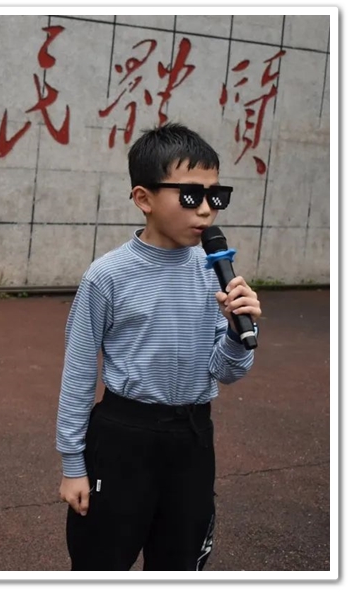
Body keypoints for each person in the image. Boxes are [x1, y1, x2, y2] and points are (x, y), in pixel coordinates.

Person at [56, 123, 261, 571]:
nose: (205, 209)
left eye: (216, 196)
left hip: (192, 439)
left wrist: (235, 333)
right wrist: (73, 463)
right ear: (144, 198)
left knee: (179, 562)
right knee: (100, 562)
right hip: (123, 437)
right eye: (190, 195)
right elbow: (79, 371)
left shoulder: (214, 270)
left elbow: (226, 371)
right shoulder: (107, 276)